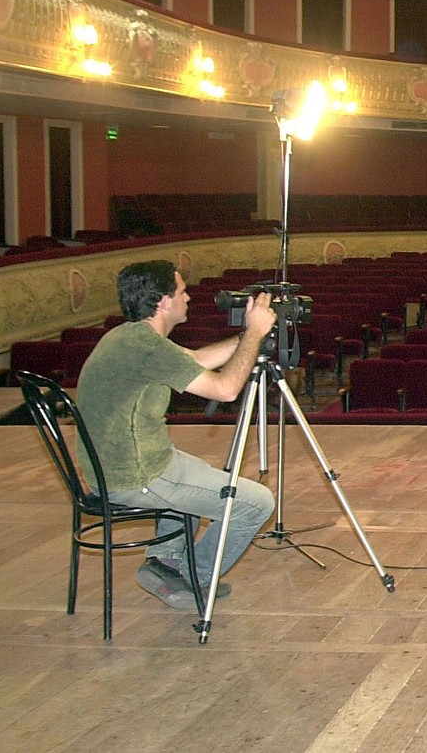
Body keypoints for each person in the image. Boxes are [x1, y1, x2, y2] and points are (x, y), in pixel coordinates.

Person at [74, 261, 278, 611]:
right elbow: (226, 390)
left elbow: (197, 359)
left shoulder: (128, 337)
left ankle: (164, 562)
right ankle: (193, 576)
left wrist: (248, 334)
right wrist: (256, 336)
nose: (188, 297)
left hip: (116, 466)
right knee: (256, 503)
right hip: (134, 476)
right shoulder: (148, 349)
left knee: (197, 471)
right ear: (165, 302)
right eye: (182, 290)